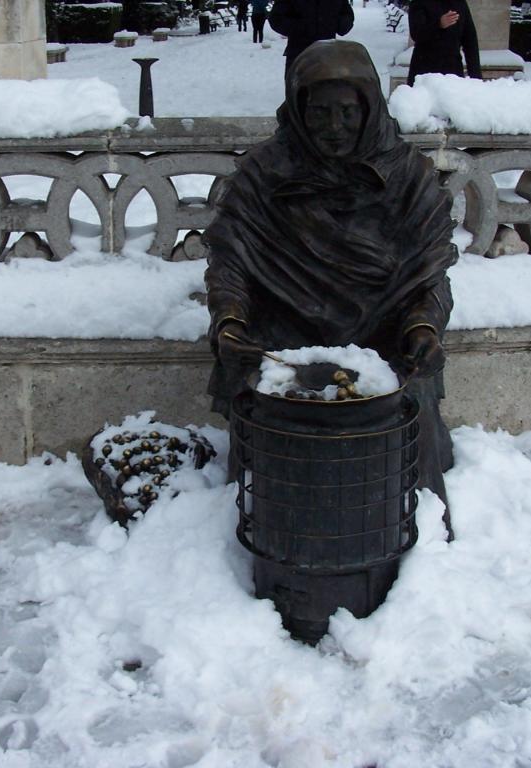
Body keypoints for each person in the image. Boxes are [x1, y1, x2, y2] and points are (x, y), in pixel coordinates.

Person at [204, 40, 458, 518]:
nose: (333, 128)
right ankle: (278, 518)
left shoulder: (408, 175)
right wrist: (230, 323)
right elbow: (230, 261)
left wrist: (423, 326)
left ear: (369, 109)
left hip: (384, 333)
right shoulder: (264, 173)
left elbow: (431, 274)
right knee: (276, 420)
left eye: (347, 112)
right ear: (299, 109)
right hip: (289, 334)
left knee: (409, 411)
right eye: (319, 113)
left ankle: (414, 530)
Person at [406, 0, 482, 86]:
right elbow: (416, 33)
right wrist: (439, 24)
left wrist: (476, 77)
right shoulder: (420, 2)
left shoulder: (459, 3)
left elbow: (470, 41)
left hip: (453, 71)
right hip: (425, 72)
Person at [268, 0, 355, 74]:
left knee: (329, 91)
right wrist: (303, 28)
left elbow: (347, 15)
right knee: (299, 92)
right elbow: (276, 19)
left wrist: (337, 24)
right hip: (299, 56)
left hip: (328, 56)